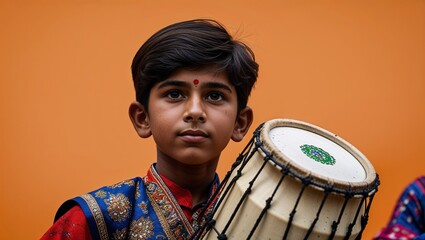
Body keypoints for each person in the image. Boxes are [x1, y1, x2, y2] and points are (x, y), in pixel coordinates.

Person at [41, 19, 259, 240]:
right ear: (142, 117)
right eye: (175, 94)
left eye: (215, 96)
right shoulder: (95, 218)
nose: (195, 111)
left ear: (240, 123)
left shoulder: (262, 220)